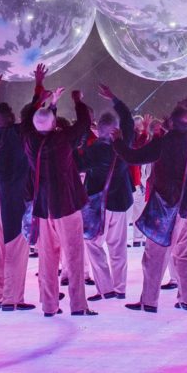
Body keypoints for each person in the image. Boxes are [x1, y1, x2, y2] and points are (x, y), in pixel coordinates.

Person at [107, 85, 187, 313]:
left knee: (154, 256)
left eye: (181, 104)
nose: (176, 104)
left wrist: (117, 141)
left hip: (168, 204)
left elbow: (133, 157)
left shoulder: (168, 142)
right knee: (184, 255)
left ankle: (149, 301)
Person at [20, 65, 95, 318]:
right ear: (54, 125)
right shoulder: (62, 141)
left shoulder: (30, 140)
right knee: (73, 255)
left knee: (47, 259)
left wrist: (46, 99)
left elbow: (31, 119)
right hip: (65, 206)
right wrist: (77, 101)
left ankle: (49, 305)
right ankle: (78, 305)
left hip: (43, 208)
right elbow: (84, 124)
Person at [0, 69, 35, 312]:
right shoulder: (16, 133)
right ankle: (12, 298)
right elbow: (33, 116)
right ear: (11, 118)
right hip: (13, 196)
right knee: (15, 246)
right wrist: (39, 88)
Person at [80, 108, 133, 301]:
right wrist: (116, 100)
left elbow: (77, 164)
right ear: (116, 130)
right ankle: (120, 288)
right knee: (118, 247)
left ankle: (105, 287)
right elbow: (129, 122)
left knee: (93, 243)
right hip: (120, 202)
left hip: (98, 205)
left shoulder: (94, 150)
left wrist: (87, 134)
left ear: (99, 131)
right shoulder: (124, 146)